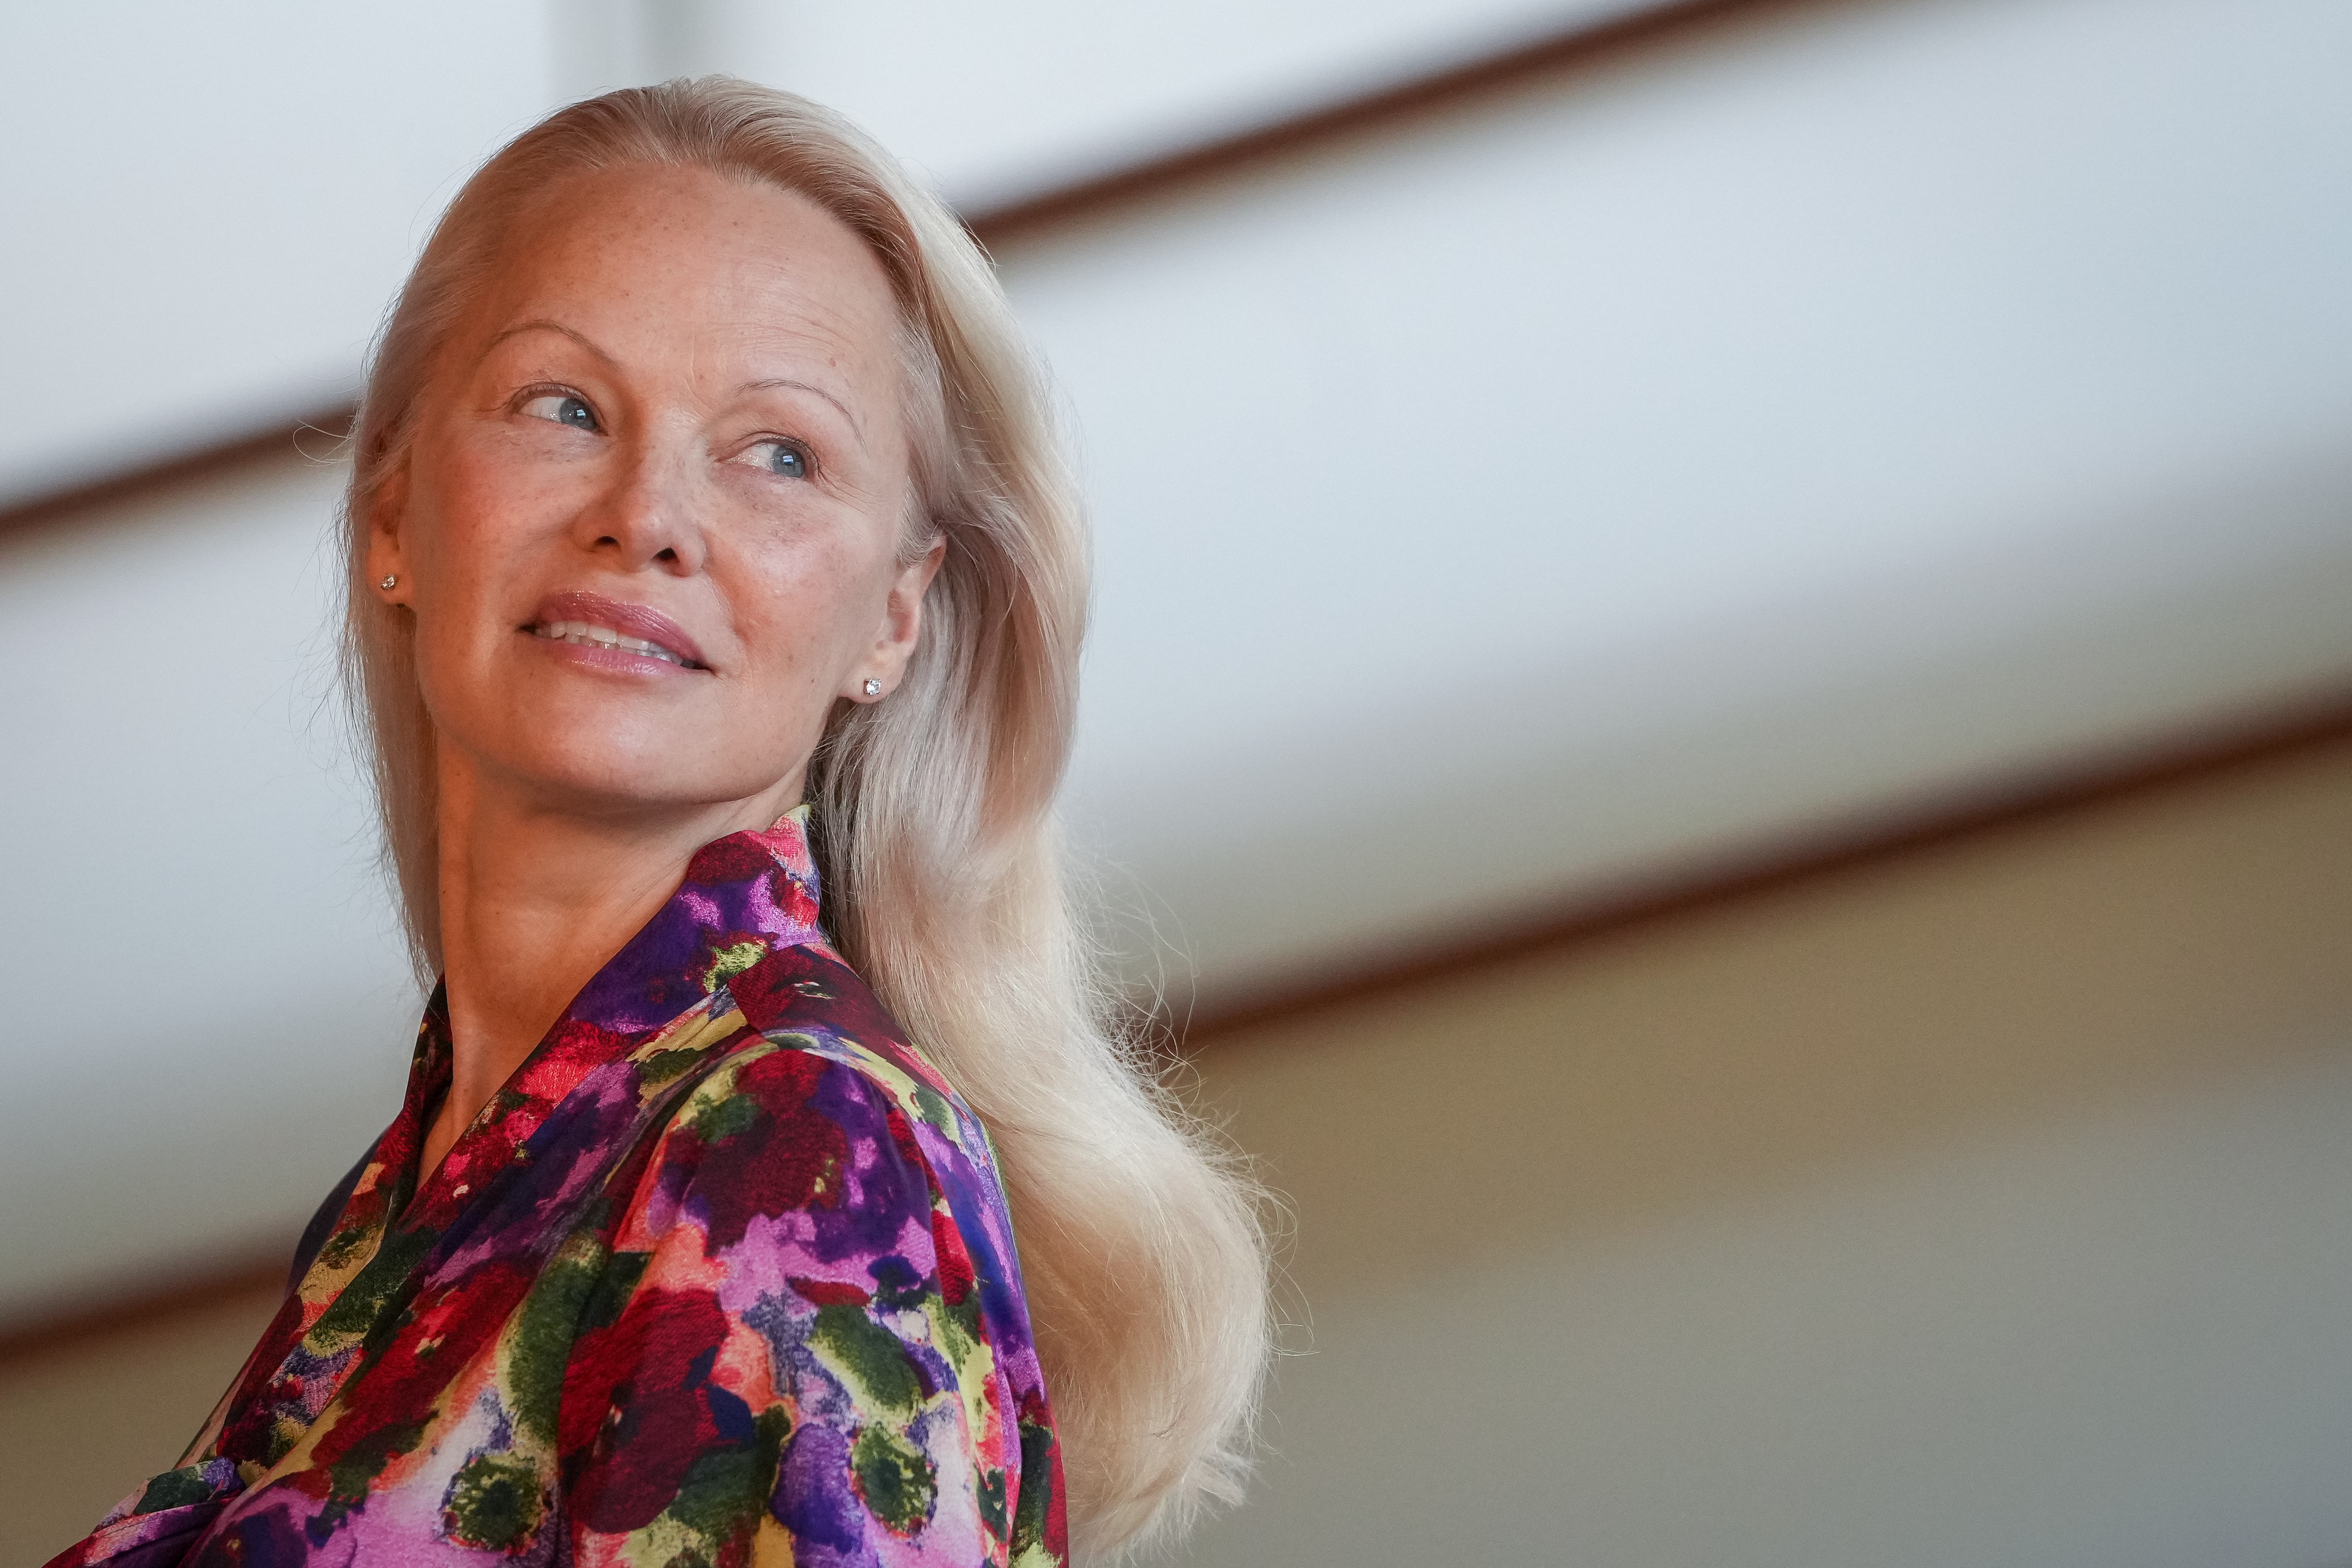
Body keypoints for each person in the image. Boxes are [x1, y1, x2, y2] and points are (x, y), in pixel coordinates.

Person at [51, 78, 1267, 1567]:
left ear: (894, 612)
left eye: (778, 452)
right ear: (393, 516)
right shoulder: (410, 1211)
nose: (647, 514)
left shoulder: (798, 1154)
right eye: (563, 406)